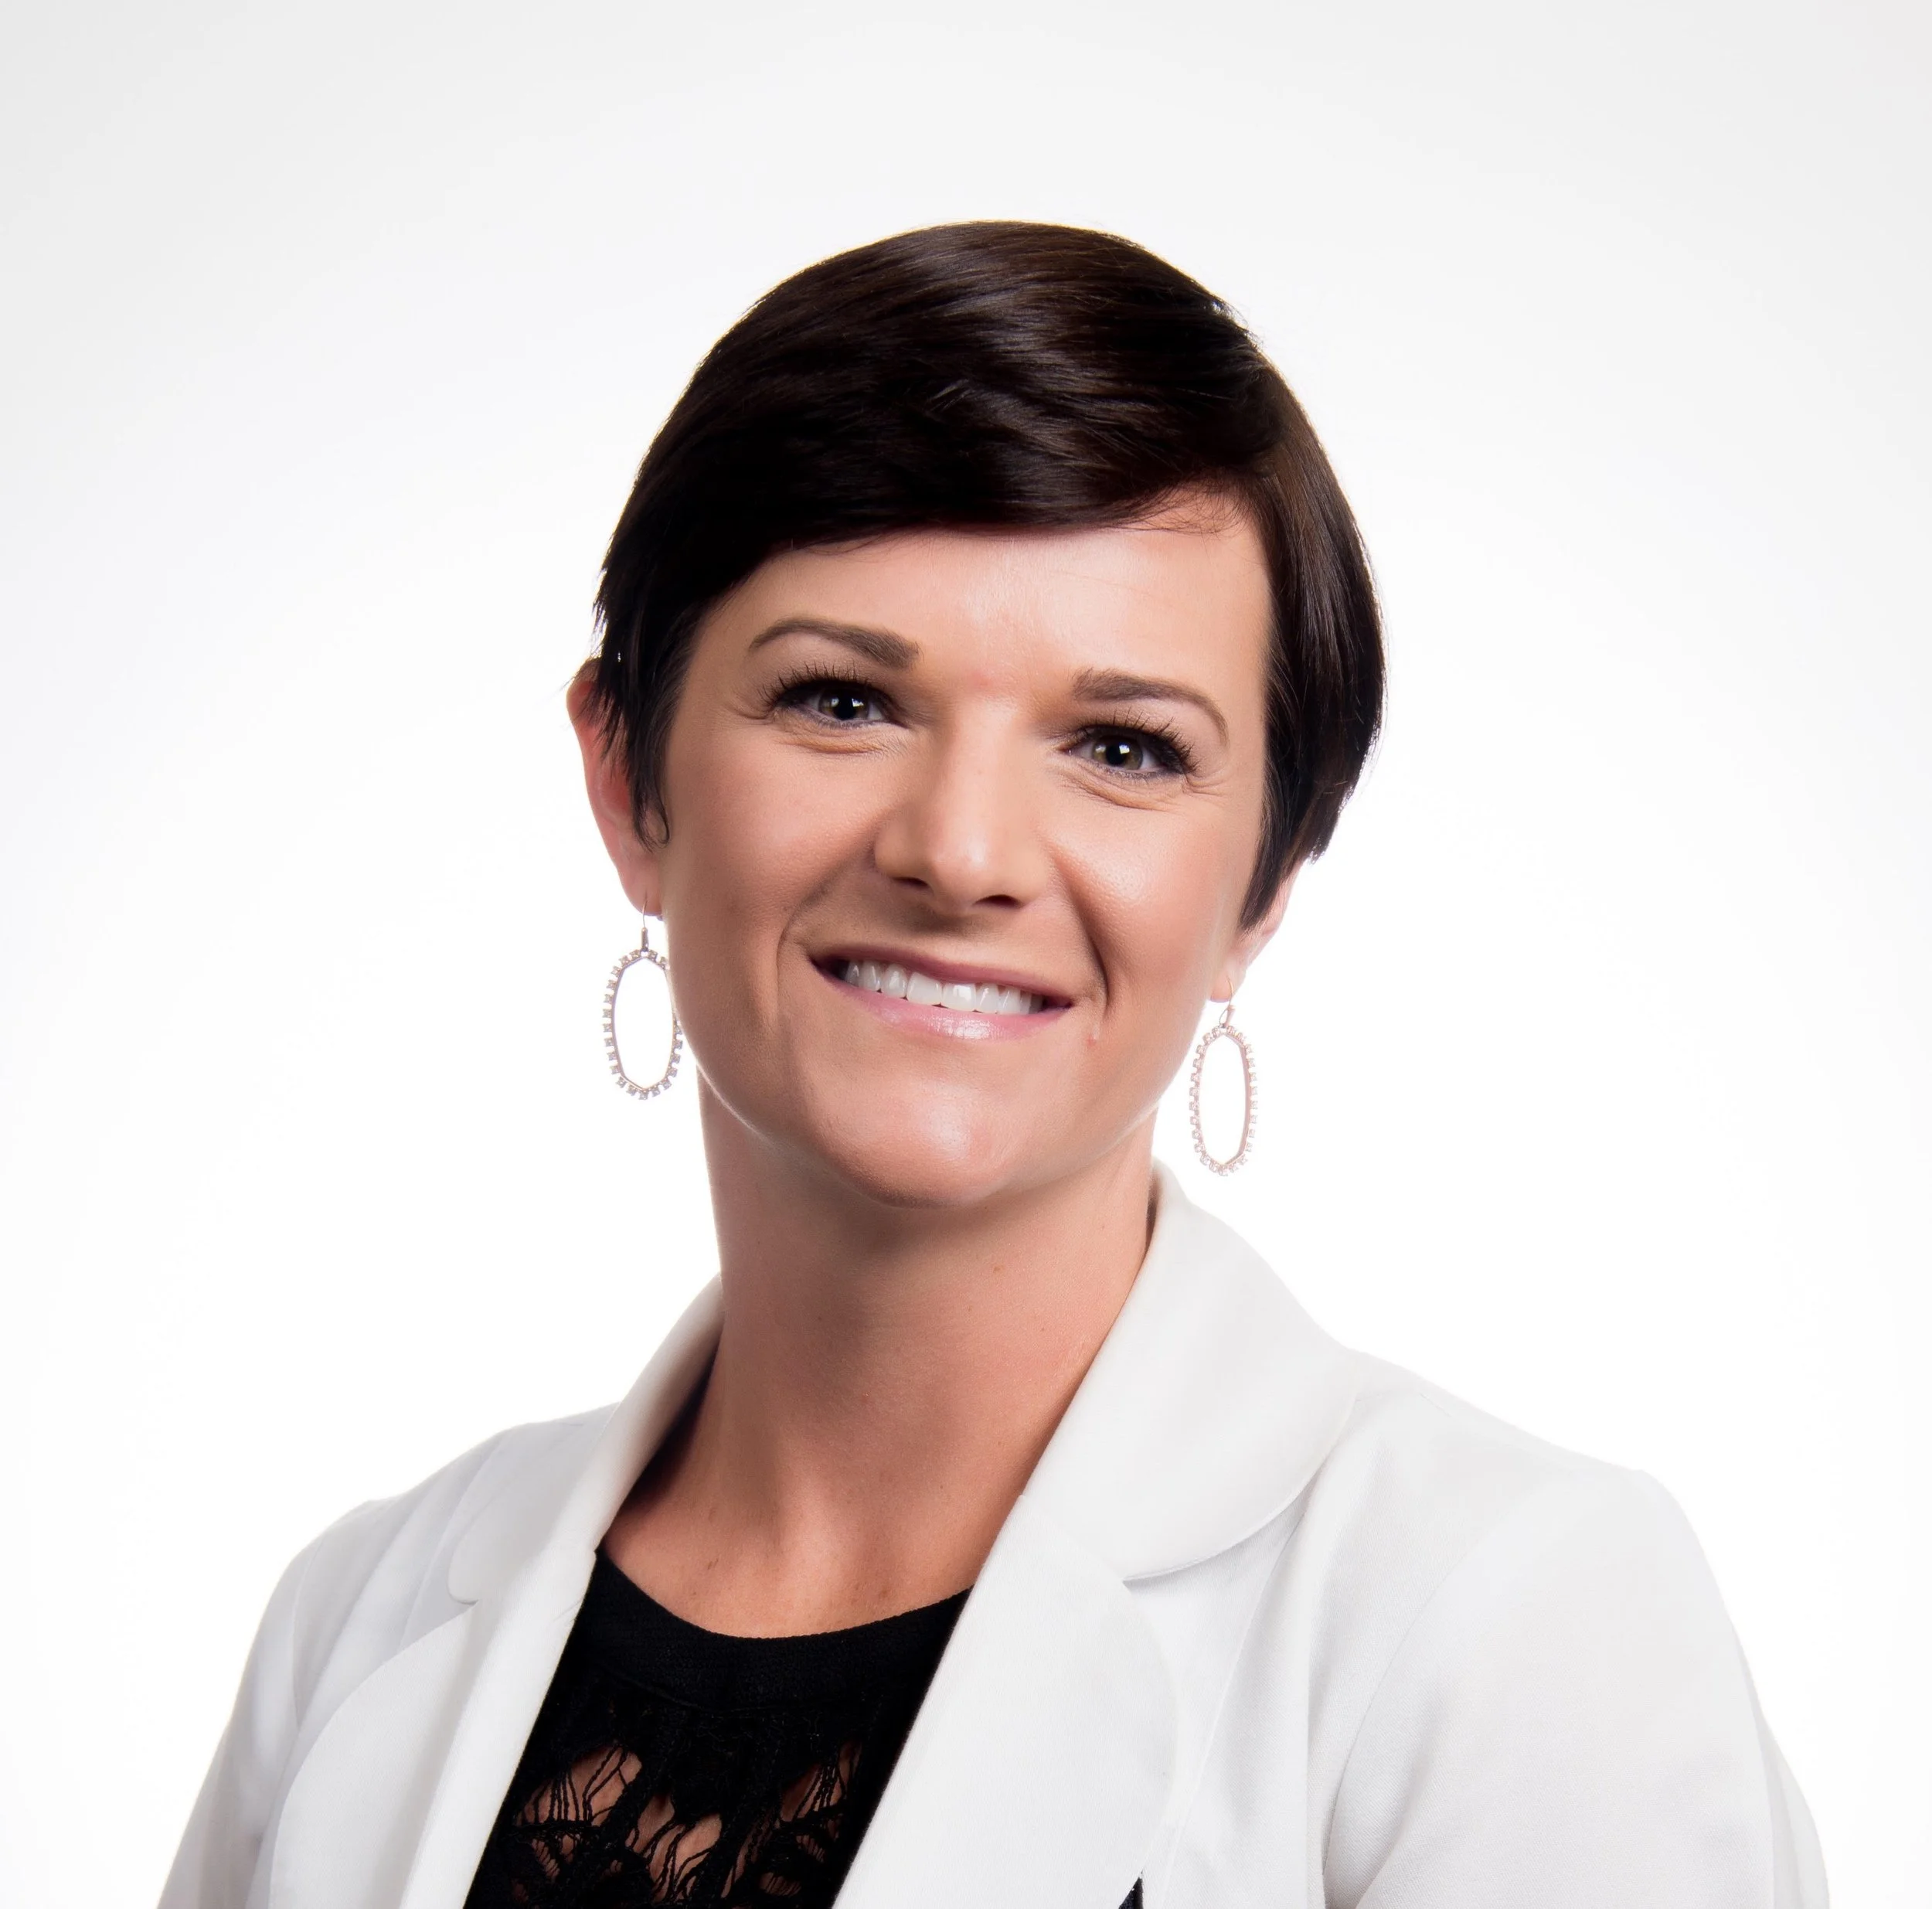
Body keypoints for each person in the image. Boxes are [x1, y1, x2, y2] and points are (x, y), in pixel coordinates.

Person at [160, 223, 1826, 1909]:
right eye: (835, 701)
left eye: (1122, 747)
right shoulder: (355, 1624)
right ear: (627, 781)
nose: (959, 852)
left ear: (1259, 884)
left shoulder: (1510, 1622)